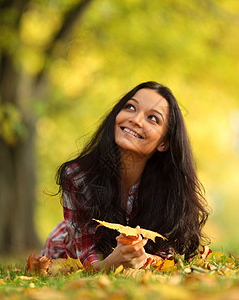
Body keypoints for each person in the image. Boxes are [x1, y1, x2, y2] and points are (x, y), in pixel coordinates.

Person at [41, 81, 210, 271]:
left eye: (153, 118)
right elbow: (85, 258)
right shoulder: (78, 176)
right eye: (130, 107)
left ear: (164, 142)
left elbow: (170, 256)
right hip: (65, 253)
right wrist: (111, 263)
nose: (136, 120)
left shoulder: (172, 192)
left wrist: (142, 258)